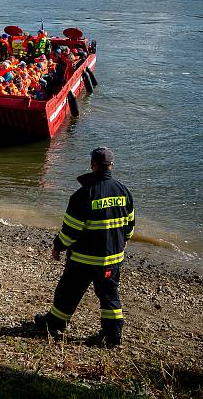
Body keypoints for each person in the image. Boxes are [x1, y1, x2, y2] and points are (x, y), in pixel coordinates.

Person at [34, 147, 134, 347]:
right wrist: (120, 244)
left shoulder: (83, 194)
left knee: (68, 290)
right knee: (109, 296)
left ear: (92, 165)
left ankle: (56, 322)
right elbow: (129, 228)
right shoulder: (124, 191)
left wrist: (57, 246)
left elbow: (71, 231)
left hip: (83, 259)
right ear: (112, 166)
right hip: (112, 259)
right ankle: (113, 335)